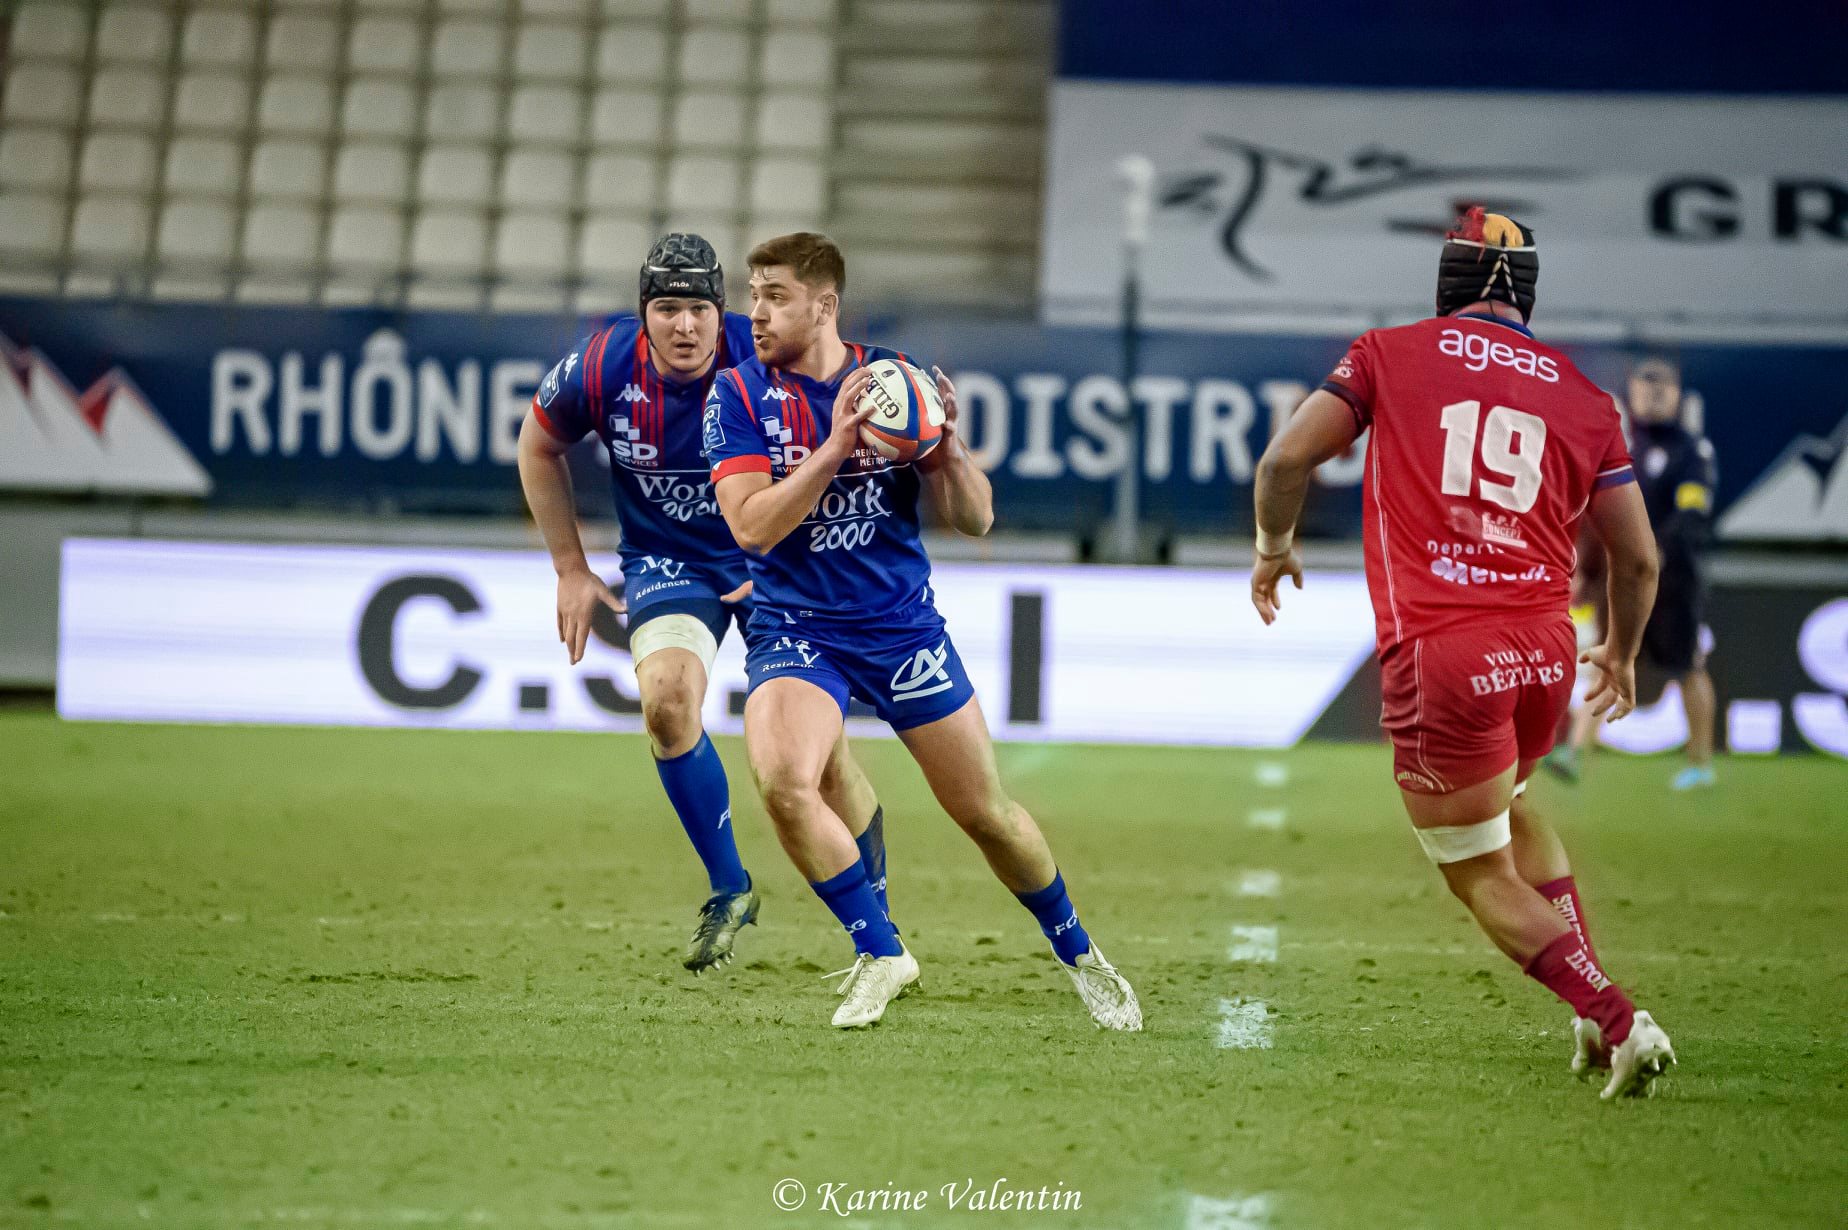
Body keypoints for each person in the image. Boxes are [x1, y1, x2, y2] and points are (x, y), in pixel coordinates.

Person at [1250, 208, 1676, 1099]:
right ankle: (1594, 1019)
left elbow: (1286, 462)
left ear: (1448, 281)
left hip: (1443, 652)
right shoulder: (1585, 397)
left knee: (1477, 870)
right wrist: (1623, 656)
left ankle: (1616, 1018)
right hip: (1545, 650)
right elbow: (1638, 557)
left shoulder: (1384, 355)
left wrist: (1272, 546)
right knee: (1515, 811)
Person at [703, 231, 1141, 1030]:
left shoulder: (894, 383)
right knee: (784, 782)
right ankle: (880, 951)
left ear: (824, 304)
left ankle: (1081, 954)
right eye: (752, 295)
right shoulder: (736, 396)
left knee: (985, 814)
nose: (755, 313)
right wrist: (836, 445)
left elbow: (975, 519)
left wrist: (947, 447)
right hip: (798, 628)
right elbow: (753, 529)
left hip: (902, 629)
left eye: (775, 296)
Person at [518, 233, 888, 974]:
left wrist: (793, 555)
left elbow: (834, 474)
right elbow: (537, 444)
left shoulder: (766, 366)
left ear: (722, 313)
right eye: (666, 309)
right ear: (643, 314)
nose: (683, 327)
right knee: (666, 703)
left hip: (776, 564)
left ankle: (879, 932)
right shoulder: (600, 366)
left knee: (822, 763)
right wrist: (569, 568)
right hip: (669, 562)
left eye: (697, 309)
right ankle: (730, 888)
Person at [1626, 357, 1719, 790]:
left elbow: (1692, 511)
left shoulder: (1691, 450)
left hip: (1675, 578)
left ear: (1677, 395)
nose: (1653, 394)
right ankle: (1573, 752)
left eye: (1662, 386)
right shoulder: (1624, 446)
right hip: (1627, 574)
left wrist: (1658, 548)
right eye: (1646, 386)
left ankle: (1700, 761)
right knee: (1610, 657)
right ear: (1632, 391)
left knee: (1687, 665)